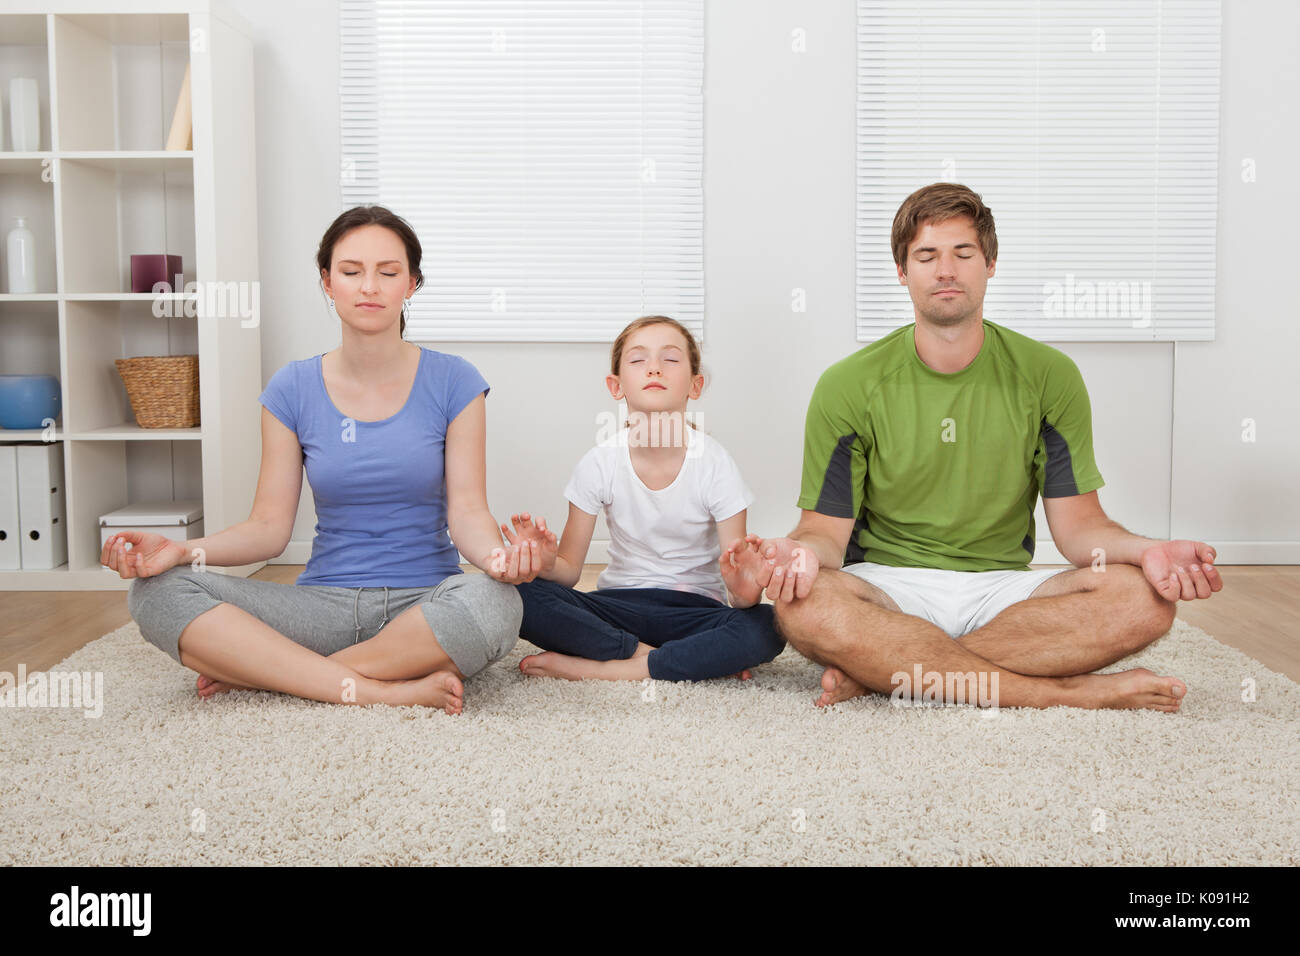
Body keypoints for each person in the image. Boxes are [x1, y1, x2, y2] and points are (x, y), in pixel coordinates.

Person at [752, 183, 1222, 712]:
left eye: (963, 253)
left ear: (990, 263)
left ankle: (886, 673)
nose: (946, 270)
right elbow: (825, 534)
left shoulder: (1050, 376)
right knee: (802, 604)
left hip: (1001, 590)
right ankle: (1059, 693)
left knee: (1144, 601)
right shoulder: (847, 385)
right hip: (888, 588)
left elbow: (1079, 531)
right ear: (903, 272)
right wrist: (798, 555)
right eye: (926, 256)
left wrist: (1148, 551)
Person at [108, 205, 540, 715]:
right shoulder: (291, 388)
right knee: (156, 592)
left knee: (497, 604)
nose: (369, 287)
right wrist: (181, 551)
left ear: (412, 283)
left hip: (423, 606)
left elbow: (468, 512)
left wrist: (501, 562)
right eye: (351, 271)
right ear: (327, 282)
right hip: (319, 605)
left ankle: (273, 672)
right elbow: (269, 528)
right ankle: (379, 686)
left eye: (388, 272)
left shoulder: (456, 381)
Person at [502, 315, 785, 683]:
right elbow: (569, 572)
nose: (654, 368)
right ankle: (655, 660)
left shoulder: (717, 465)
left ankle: (607, 667)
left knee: (770, 625)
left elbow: (739, 598)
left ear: (695, 385)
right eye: (638, 360)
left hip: (695, 612)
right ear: (616, 385)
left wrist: (746, 591)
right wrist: (543, 564)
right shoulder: (599, 463)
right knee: (517, 594)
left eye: (670, 359)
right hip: (618, 606)